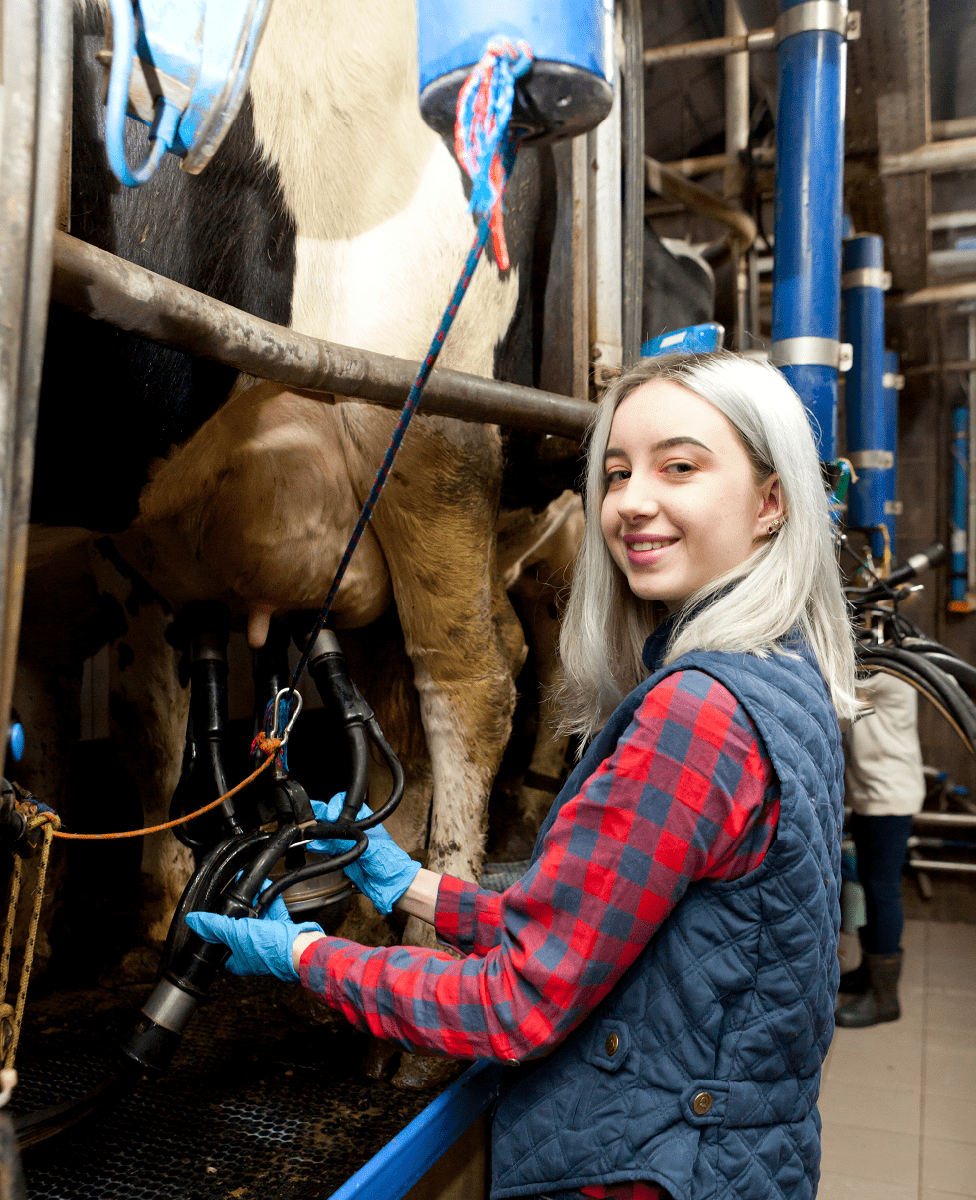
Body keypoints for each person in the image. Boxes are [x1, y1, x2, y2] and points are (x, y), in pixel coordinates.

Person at [188, 351, 858, 1200]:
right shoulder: (782, 673)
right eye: (615, 473)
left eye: (679, 467)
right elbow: (608, 925)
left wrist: (311, 957)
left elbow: (515, 1006)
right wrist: (418, 891)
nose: (632, 503)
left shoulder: (695, 716)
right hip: (728, 1160)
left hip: (643, 1172)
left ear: (773, 503)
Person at [836, 671, 925, 1028]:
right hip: (873, 795)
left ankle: (887, 998)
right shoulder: (877, 670)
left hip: (890, 796)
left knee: (881, 890)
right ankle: (870, 973)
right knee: (873, 889)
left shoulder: (888, 671)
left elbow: (836, 700)